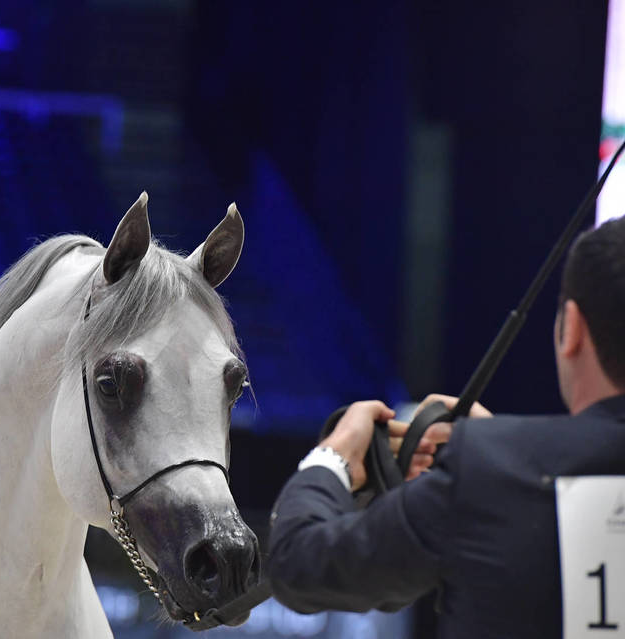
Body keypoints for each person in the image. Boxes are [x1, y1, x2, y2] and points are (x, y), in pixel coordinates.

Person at [267, 216, 625, 638]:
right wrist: (508, 451)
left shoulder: (486, 472)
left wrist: (334, 456)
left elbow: (300, 566)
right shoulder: (489, 465)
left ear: (573, 329)